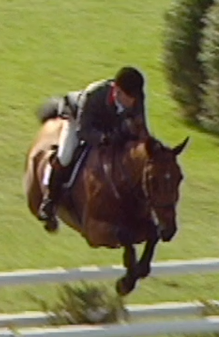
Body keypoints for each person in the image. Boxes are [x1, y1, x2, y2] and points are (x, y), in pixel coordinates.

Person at [37, 66, 148, 231]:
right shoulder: (94, 94)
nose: (132, 103)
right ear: (116, 90)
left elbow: (141, 129)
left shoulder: (136, 98)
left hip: (109, 123)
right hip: (77, 119)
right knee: (66, 156)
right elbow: (84, 131)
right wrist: (105, 138)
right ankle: (50, 201)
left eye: (134, 98)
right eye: (129, 98)